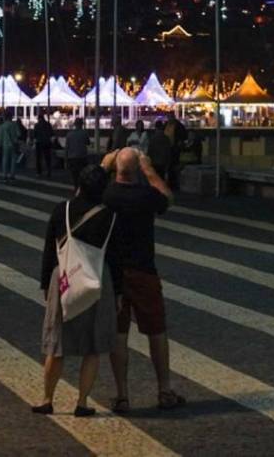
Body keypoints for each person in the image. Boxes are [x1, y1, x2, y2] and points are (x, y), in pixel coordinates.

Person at [102, 147, 185, 413]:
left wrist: (104, 167)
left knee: (118, 334)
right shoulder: (145, 195)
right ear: (138, 169)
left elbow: (82, 194)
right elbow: (168, 199)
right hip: (143, 270)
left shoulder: (106, 194)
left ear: (116, 168)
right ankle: (164, 390)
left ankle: (122, 395)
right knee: (156, 331)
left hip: (113, 273)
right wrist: (150, 170)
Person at [34, 164, 116, 418]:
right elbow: (116, 256)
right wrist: (120, 293)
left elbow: (50, 249)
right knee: (92, 345)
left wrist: (46, 284)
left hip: (65, 276)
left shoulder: (62, 210)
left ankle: (47, 399)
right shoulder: (110, 215)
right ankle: (81, 402)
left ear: (78, 185)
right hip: (97, 277)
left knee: (57, 344)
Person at [0, 110, 21, 182]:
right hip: (14, 144)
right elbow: (19, 134)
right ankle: (12, 175)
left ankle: (4, 175)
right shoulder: (14, 125)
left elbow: (0, 137)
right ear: (11, 117)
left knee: (5, 159)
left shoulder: (2, 126)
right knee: (13, 160)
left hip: (5, 144)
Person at [65, 118, 90, 186]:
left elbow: (67, 148)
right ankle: (82, 188)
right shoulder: (84, 133)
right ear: (82, 124)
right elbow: (88, 143)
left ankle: (76, 189)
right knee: (83, 174)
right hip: (82, 157)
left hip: (72, 158)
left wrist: (66, 159)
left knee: (74, 175)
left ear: (75, 124)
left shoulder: (69, 134)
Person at [33, 112, 55, 179]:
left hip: (39, 142)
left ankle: (39, 172)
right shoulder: (48, 124)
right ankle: (48, 171)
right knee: (47, 158)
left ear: (39, 118)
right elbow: (52, 134)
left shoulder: (37, 125)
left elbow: (35, 135)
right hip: (47, 142)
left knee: (38, 158)